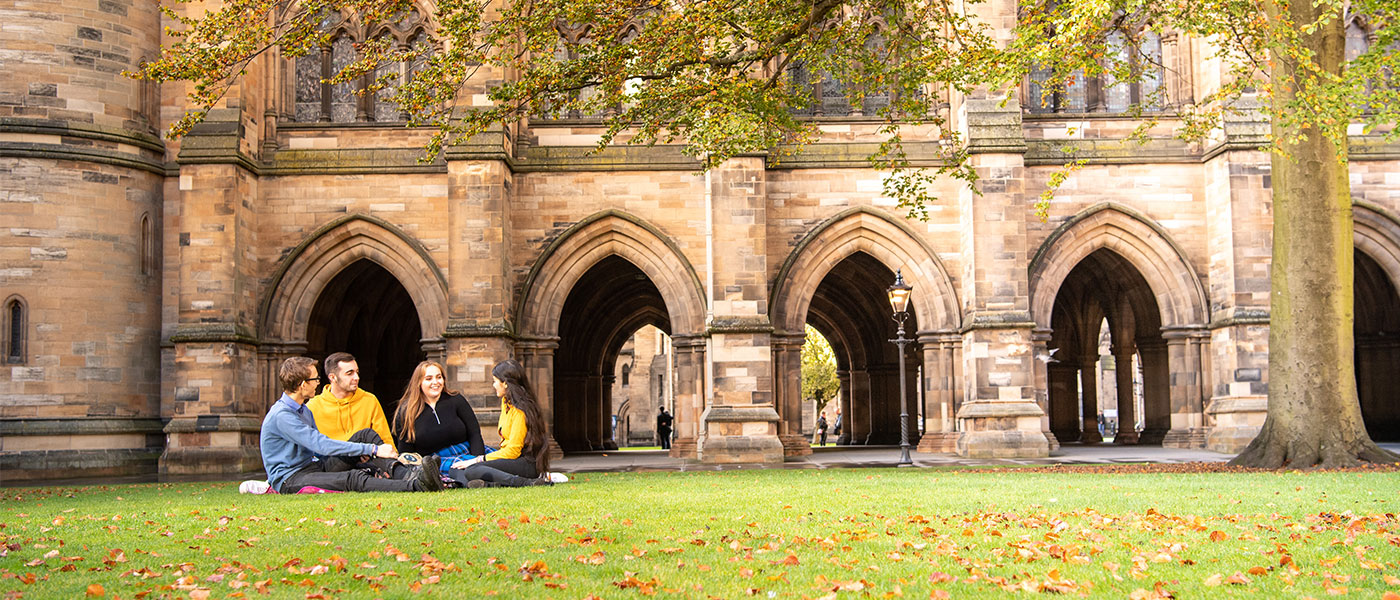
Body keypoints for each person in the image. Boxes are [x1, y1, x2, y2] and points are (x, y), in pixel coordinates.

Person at [260, 356, 442, 494]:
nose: (318, 383)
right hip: (291, 478)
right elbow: (320, 444)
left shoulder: (303, 410)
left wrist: (357, 453)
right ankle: (416, 485)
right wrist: (371, 449)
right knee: (354, 477)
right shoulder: (282, 416)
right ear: (302, 385)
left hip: (314, 466)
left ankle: (409, 474)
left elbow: (318, 453)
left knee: (365, 435)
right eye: (315, 379)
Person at [393, 360, 546, 488]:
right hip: (437, 459)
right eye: (429, 379)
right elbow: (406, 451)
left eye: (439, 377)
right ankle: (489, 483)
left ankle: (491, 481)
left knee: (475, 469)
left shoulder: (455, 400)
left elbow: (474, 432)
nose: (435, 382)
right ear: (418, 382)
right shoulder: (407, 411)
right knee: (459, 472)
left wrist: (476, 458)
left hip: (469, 450)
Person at [451, 359, 551, 481]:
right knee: (455, 469)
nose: (493, 385)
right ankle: (485, 483)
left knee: (472, 469)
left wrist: (479, 459)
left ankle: (523, 482)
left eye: (495, 381)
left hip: (525, 463)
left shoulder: (520, 411)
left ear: (505, 383)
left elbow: (513, 451)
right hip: (510, 458)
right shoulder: (506, 402)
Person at [307, 352, 395, 449]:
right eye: (349, 373)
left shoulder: (369, 400)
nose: (357, 377)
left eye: (357, 372)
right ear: (332, 377)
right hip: (331, 456)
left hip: (365, 456)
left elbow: (385, 440)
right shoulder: (313, 406)